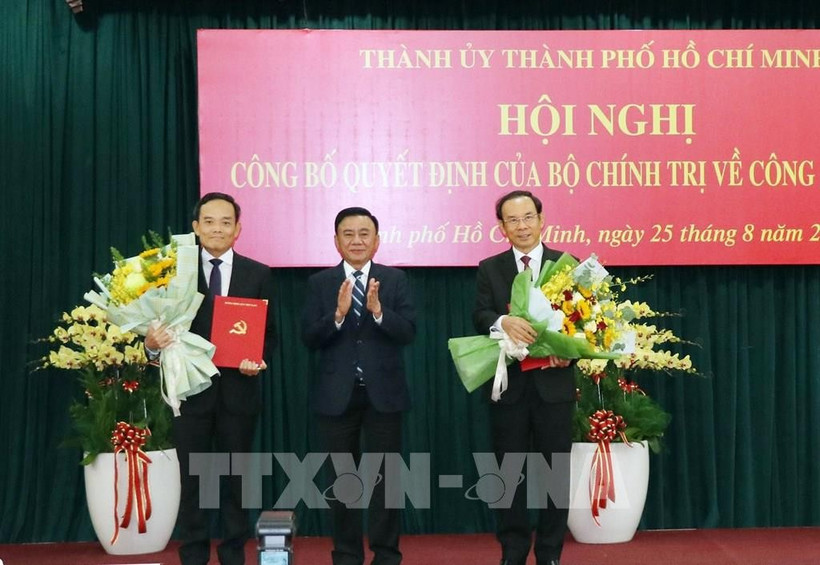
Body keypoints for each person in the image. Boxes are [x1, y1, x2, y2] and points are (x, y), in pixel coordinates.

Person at [145, 192, 276, 565]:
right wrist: (151, 347)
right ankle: (194, 554)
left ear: (237, 229)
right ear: (195, 228)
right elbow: (157, 333)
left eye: (225, 222)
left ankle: (234, 552)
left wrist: (259, 360)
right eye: (209, 222)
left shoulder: (258, 273)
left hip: (239, 392)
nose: (217, 229)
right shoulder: (174, 275)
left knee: (236, 481)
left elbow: (270, 335)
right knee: (194, 482)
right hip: (189, 392)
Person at [301, 207, 416, 565]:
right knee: (342, 482)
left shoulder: (394, 280)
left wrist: (379, 312)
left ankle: (386, 554)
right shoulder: (319, 283)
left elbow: (408, 332)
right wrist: (336, 316)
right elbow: (308, 337)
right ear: (336, 241)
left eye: (364, 233)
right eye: (348, 234)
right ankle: (347, 555)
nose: (356, 240)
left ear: (377, 241)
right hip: (337, 396)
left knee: (386, 482)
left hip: (384, 394)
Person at [472, 190, 574, 565]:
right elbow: (480, 315)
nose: (522, 226)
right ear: (501, 227)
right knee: (508, 473)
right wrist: (503, 321)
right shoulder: (490, 267)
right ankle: (513, 551)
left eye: (528, 217)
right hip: (510, 388)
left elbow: (582, 322)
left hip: (554, 386)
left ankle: (550, 553)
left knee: (554, 476)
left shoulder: (566, 264)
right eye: (512, 220)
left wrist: (569, 350)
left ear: (541, 219)